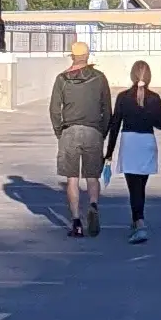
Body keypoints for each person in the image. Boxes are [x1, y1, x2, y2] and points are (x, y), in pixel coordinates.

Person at [48, 35, 112, 239]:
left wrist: (60, 131)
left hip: (69, 131)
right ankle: (92, 204)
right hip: (93, 130)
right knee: (92, 176)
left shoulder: (61, 80)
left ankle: (76, 221)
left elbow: (54, 110)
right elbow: (107, 109)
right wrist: (103, 131)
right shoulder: (100, 78)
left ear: (72, 57)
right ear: (87, 56)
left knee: (72, 178)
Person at [107, 61, 161, 242]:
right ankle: (137, 221)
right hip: (146, 142)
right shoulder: (154, 98)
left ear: (132, 76)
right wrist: (148, 114)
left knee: (134, 188)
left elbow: (115, 124)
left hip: (129, 143)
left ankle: (139, 223)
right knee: (141, 186)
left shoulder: (123, 97)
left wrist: (109, 153)